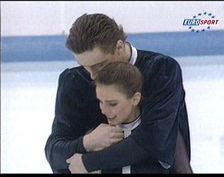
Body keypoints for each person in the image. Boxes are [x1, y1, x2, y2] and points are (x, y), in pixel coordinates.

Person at [45, 13, 192, 173]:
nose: (93, 75)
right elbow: (55, 151)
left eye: (100, 65)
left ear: (119, 47)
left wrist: (89, 162)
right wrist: (86, 143)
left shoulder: (160, 70)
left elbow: (154, 139)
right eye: (85, 66)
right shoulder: (74, 81)